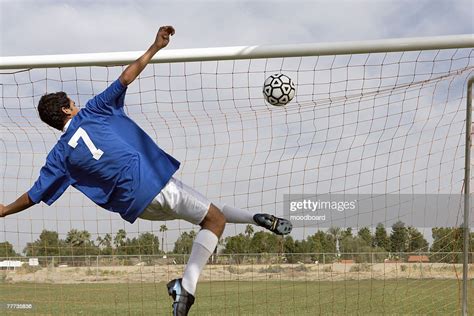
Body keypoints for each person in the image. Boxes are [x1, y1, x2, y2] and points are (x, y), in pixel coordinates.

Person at [0, 26, 292, 316]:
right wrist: (155, 47)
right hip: (152, 182)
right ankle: (186, 288)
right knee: (214, 221)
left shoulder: (59, 157)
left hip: (136, 207)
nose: (76, 105)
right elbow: (126, 77)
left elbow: (33, 196)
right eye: (72, 103)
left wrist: (4, 210)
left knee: (208, 213)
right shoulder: (93, 111)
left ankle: (254, 218)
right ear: (66, 110)